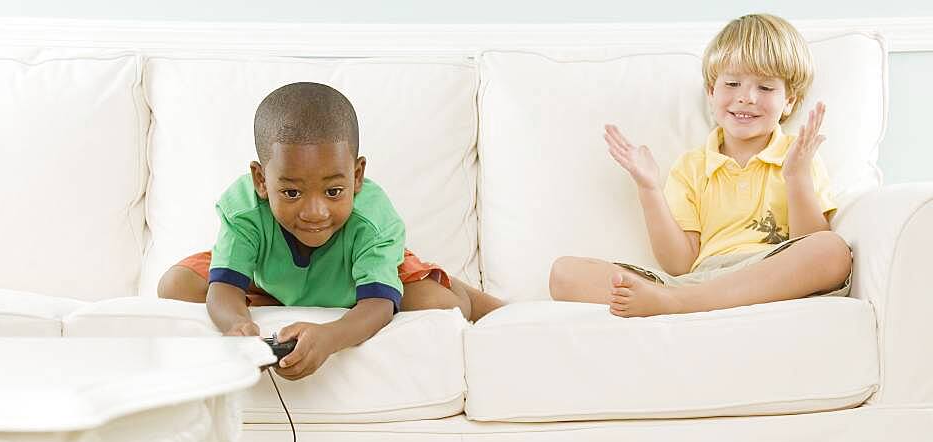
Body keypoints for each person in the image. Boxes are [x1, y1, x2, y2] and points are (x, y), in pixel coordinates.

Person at [159, 82, 503, 379]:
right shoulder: (244, 208)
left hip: (352, 277)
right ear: (261, 180)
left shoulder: (373, 218)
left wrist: (330, 337)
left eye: (333, 192)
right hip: (268, 277)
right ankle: (286, 292)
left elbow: (378, 307)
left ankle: (459, 288)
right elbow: (223, 289)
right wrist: (236, 324)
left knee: (443, 303)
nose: (314, 212)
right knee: (176, 284)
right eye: (292, 193)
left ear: (356, 176)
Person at [549, 13, 851, 318]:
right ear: (711, 92)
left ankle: (678, 304)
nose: (746, 97)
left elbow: (810, 242)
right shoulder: (691, 166)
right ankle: (680, 298)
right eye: (732, 83)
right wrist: (648, 187)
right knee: (563, 274)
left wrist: (797, 177)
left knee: (831, 250)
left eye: (765, 88)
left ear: (789, 100)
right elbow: (680, 264)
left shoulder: (799, 155)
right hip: (700, 279)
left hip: (768, 275)